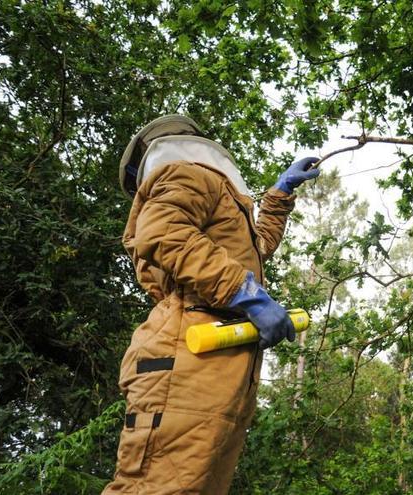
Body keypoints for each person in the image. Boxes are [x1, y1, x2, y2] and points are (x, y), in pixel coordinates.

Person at [102, 114, 319, 494]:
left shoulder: (208, 188)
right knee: (155, 487)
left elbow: (253, 250)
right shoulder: (185, 173)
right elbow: (165, 233)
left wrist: (280, 194)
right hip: (187, 356)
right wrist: (245, 293)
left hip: (215, 361)